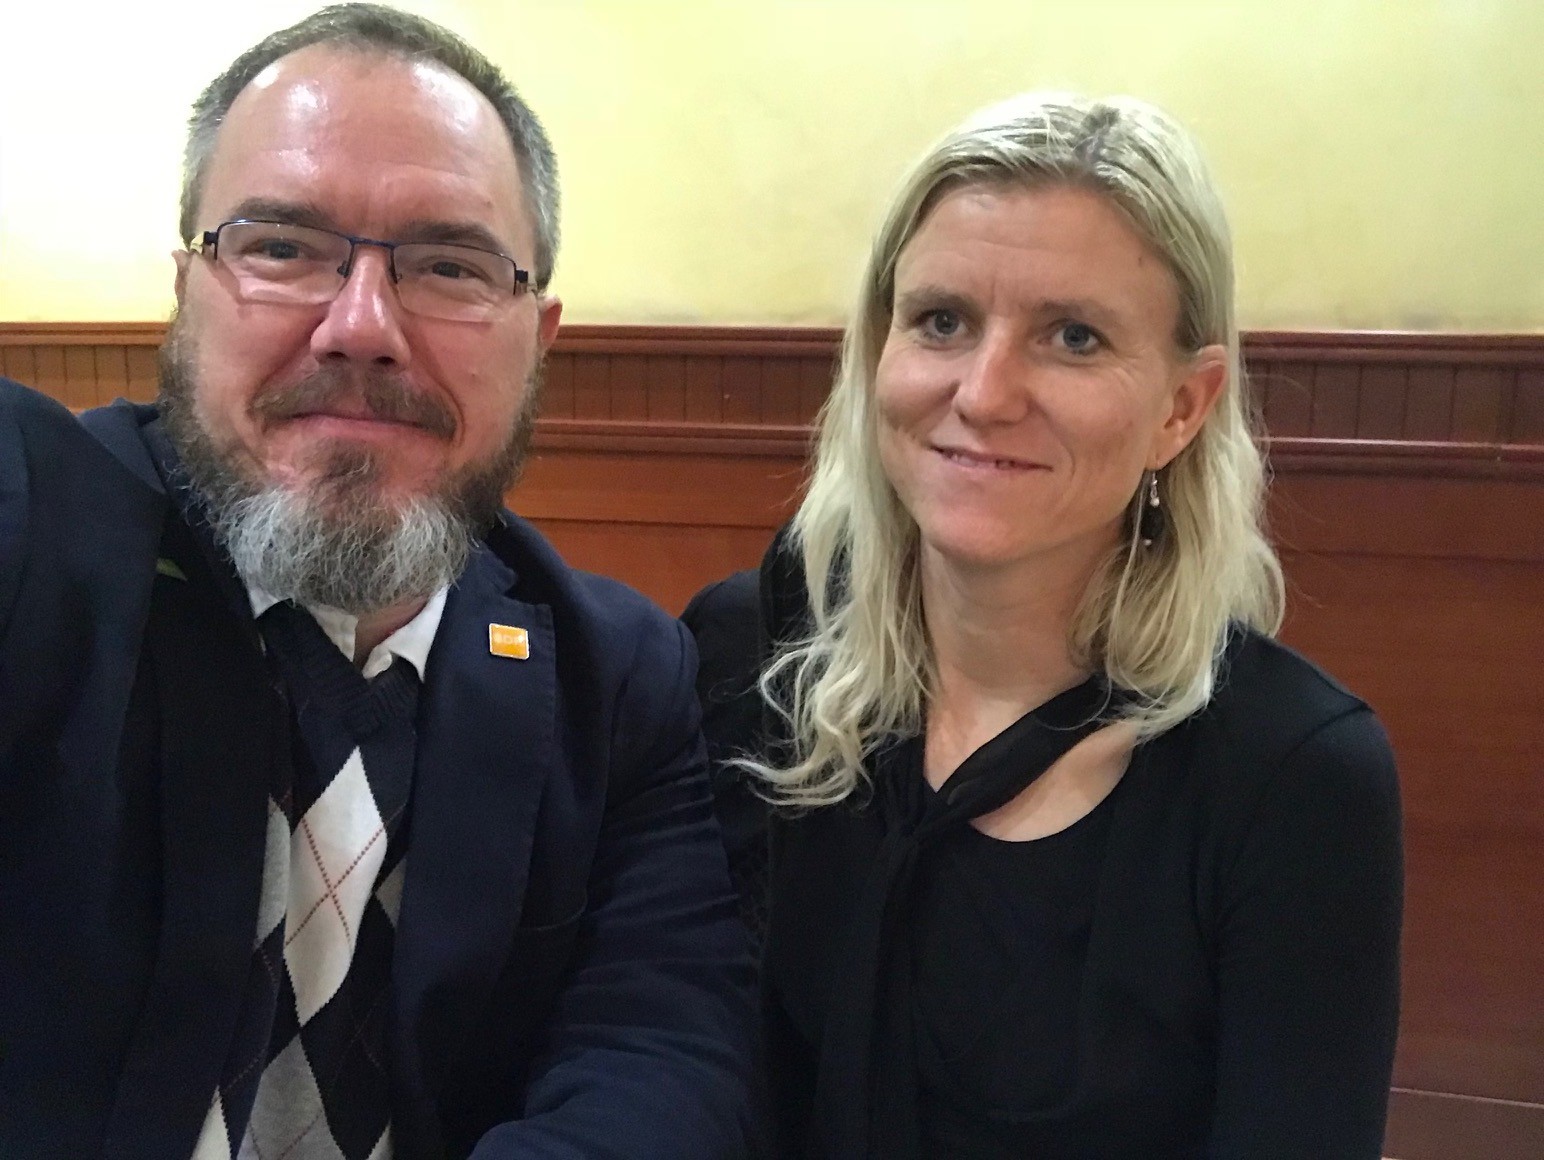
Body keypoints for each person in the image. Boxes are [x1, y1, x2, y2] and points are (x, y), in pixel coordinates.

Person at [0, 5, 753, 1158]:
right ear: (187, 292)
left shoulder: (620, 678)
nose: (361, 327)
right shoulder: (38, 529)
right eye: (281, 247)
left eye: (447, 266)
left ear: (538, 338)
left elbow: (661, 1049)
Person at [686, 93, 1403, 1158]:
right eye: (940, 321)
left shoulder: (1294, 777)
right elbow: (670, 1056)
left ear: (1182, 407)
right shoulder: (747, 655)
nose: (983, 393)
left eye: (1073, 337)